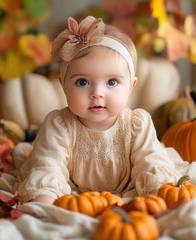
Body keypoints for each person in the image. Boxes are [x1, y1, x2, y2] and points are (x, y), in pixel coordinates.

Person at [15, 16, 181, 203]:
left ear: (130, 87)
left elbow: (150, 161)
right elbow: (49, 164)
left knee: (160, 167)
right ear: (63, 85)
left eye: (112, 82)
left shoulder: (136, 125)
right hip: (73, 194)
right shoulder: (60, 125)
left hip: (126, 194)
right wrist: (45, 197)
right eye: (82, 82)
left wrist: (157, 191)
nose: (97, 93)